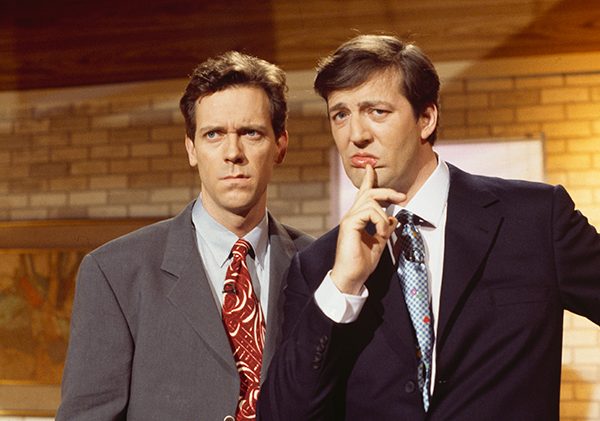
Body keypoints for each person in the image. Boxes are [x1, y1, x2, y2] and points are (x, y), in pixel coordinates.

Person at [258, 34, 600, 420]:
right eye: (340, 115)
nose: (356, 135)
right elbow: (282, 414)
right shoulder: (319, 267)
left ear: (426, 119)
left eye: (377, 112)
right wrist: (343, 286)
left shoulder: (534, 219)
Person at [57, 51, 312, 421]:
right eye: (213, 135)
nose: (233, 153)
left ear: (280, 145)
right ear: (192, 149)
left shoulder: (320, 266)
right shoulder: (115, 272)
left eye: (251, 133)